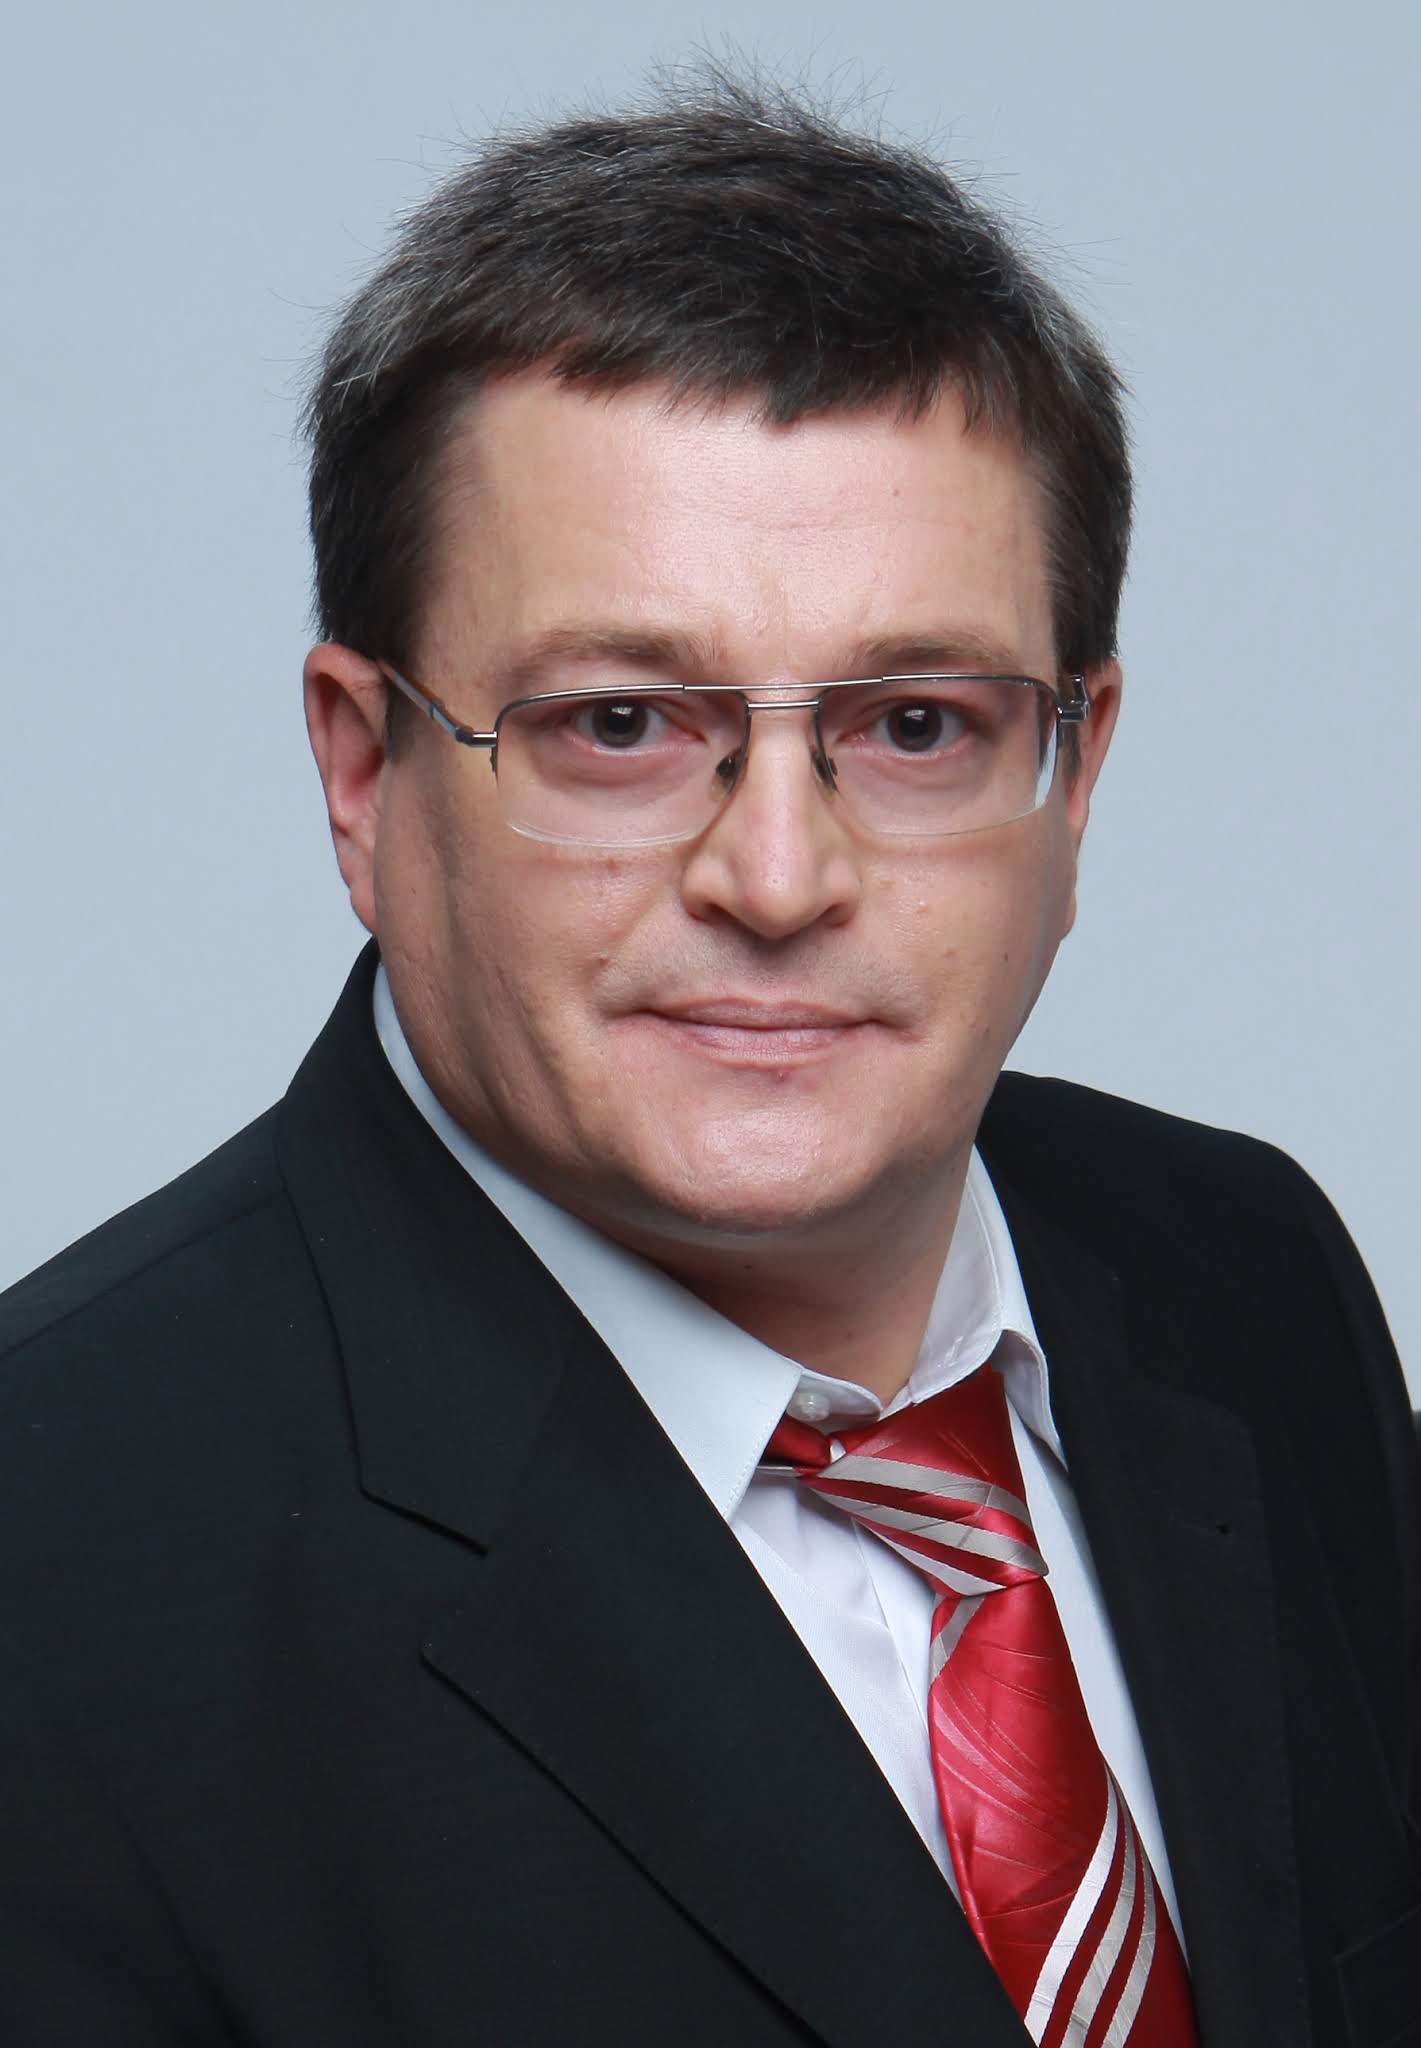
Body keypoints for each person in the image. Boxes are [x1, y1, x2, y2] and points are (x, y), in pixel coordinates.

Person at [1, 72, 1417, 2048]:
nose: (776, 877)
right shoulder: (56, 1569)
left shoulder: (1241, 1271)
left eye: (914, 725)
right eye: (619, 726)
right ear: (363, 772)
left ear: (1073, 771)